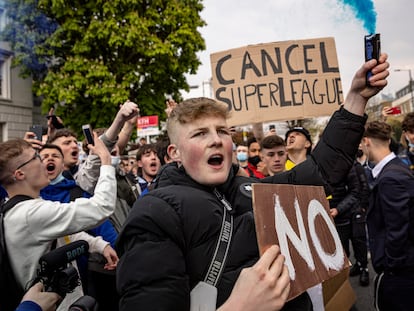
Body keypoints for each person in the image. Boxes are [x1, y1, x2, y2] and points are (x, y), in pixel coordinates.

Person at [115, 52, 390, 311]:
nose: (216, 139)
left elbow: (318, 173)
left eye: (222, 131)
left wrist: (355, 100)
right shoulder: (153, 214)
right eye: (200, 134)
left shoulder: (248, 189)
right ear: (175, 153)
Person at [0, 136, 116, 311]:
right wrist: (106, 161)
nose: (44, 160)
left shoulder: (14, 209)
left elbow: (63, 232)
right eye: (37, 157)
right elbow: (101, 207)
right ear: (20, 174)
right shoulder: (30, 214)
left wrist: (99, 244)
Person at [361, 120, 414, 310]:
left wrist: (390, 265)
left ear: (366, 142)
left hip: (400, 272)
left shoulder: (390, 177)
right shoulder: (396, 167)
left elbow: (397, 229)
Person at [328, 160, 370, 286]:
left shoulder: (353, 165)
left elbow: (360, 188)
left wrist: (362, 206)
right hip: (338, 216)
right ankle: (350, 271)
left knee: (359, 241)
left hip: (354, 211)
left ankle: (364, 268)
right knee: (342, 246)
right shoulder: (323, 165)